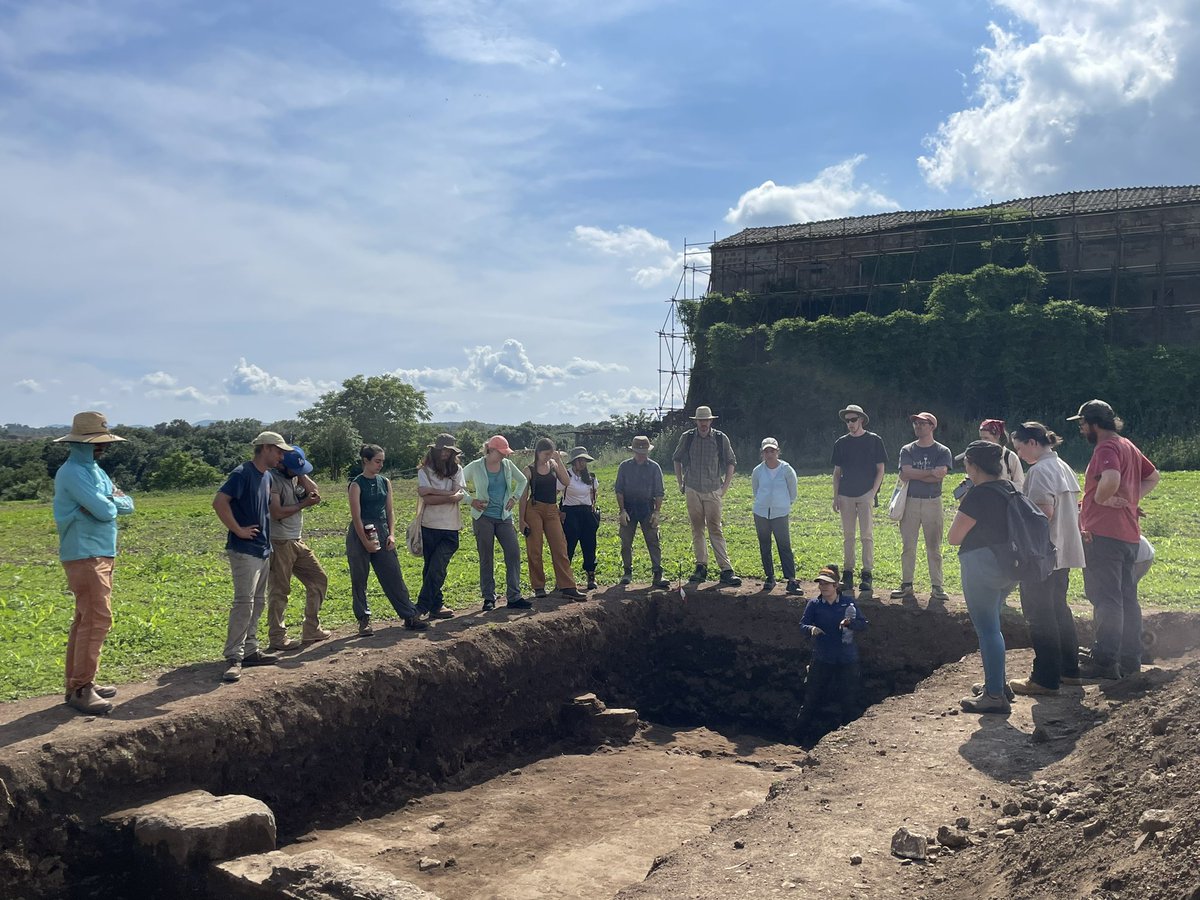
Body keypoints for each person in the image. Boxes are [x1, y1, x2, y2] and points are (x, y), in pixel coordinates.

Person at [52, 411, 135, 715]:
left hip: (100, 551)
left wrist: (107, 502)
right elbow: (107, 510)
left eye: (102, 443)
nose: (102, 447)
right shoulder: (73, 472)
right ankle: (81, 687)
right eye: (96, 443)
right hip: (84, 553)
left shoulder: (95, 471)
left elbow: (127, 504)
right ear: (79, 443)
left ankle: (80, 682)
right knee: (98, 618)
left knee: (85, 619)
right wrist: (109, 502)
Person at [1069, 399, 1159, 679]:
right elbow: (1153, 476)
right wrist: (1131, 501)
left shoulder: (1106, 446)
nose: (1082, 429)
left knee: (1106, 599)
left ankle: (1104, 660)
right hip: (1128, 535)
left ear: (1094, 423)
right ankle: (1130, 660)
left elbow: (1109, 478)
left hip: (1104, 534)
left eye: (1083, 424)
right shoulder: (1127, 445)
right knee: (1127, 598)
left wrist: (1100, 498)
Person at [1008, 423, 1084, 695]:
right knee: (1059, 610)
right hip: (1063, 551)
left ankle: (1045, 677)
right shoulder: (1062, 466)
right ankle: (1069, 670)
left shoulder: (1040, 470)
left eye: (1019, 447)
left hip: (1043, 553)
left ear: (1032, 442)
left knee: (1040, 615)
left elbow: (1043, 513)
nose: (1018, 453)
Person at [948, 441, 1020, 714]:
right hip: (1009, 567)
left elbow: (954, 538)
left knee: (988, 629)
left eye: (966, 463)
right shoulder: (1009, 488)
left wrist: (965, 500)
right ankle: (998, 684)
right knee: (994, 625)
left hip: (981, 566)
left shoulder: (978, 496)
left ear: (974, 467)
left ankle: (993, 695)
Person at [213, 432, 290, 683]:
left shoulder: (266, 476)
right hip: (244, 550)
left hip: (262, 548)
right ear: (265, 448)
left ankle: (250, 651)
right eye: (278, 451)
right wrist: (237, 529)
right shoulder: (242, 473)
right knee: (244, 603)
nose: (281, 455)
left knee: (257, 602)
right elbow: (219, 502)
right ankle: (234, 657)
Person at [346, 444, 428, 637]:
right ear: (365, 461)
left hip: (381, 529)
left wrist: (391, 534)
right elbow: (356, 516)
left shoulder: (385, 482)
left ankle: (409, 615)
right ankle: (363, 619)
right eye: (377, 461)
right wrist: (364, 541)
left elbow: (390, 511)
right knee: (359, 578)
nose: (380, 465)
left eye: (382, 461)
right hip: (361, 532)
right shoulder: (356, 484)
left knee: (393, 574)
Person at [267, 445, 331, 651]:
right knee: (280, 590)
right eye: (295, 469)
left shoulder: (294, 477)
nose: (297, 473)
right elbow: (276, 512)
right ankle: (277, 638)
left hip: (296, 540)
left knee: (318, 579)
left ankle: (311, 628)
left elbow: (314, 492)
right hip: (279, 542)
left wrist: (302, 475)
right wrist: (304, 504)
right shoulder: (272, 479)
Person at [672, 405, 741, 586]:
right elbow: (677, 459)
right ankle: (701, 566)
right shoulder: (687, 438)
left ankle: (726, 569)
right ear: (696, 422)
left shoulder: (720, 438)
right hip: (692, 488)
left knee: (715, 528)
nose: (703, 423)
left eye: (706, 420)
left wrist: (724, 488)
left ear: (711, 421)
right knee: (697, 528)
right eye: (700, 420)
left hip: (713, 489)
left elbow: (731, 462)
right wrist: (681, 484)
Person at [462, 435, 532, 611]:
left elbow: (523, 480)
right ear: (490, 450)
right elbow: (457, 483)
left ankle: (514, 597)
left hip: (504, 517)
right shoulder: (476, 466)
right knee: (486, 557)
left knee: (513, 553)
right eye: (501, 453)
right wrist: (470, 500)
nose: (504, 456)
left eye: (505, 453)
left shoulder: (507, 465)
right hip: (483, 517)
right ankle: (488, 598)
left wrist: (515, 497)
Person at [797, 565, 868, 734]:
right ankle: (798, 736)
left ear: (836, 586)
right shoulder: (814, 604)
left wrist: (850, 623)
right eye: (820, 583)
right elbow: (802, 625)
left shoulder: (848, 603)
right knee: (812, 698)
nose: (822, 587)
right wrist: (811, 629)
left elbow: (864, 624)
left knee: (848, 700)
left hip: (847, 658)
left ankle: (848, 738)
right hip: (823, 657)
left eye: (826, 584)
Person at [892, 412, 954, 603]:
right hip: (910, 500)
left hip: (932, 501)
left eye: (922, 423)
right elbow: (906, 472)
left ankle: (937, 586)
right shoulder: (907, 449)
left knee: (933, 547)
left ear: (932, 426)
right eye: (916, 423)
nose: (918, 426)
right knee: (908, 545)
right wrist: (930, 473)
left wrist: (916, 474)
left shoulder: (943, 451)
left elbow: (941, 474)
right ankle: (907, 584)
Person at [520, 437, 587, 600]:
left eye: (551, 454)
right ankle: (538, 586)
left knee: (560, 546)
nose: (548, 457)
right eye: (546, 454)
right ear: (538, 452)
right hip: (534, 508)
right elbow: (523, 496)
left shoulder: (554, 465)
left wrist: (558, 461)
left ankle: (567, 586)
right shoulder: (528, 470)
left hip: (551, 509)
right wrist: (521, 520)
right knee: (535, 548)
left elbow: (566, 481)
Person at [831, 404, 887, 598]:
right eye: (847, 420)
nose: (850, 424)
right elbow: (837, 473)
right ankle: (848, 573)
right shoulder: (841, 443)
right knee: (848, 535)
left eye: (853, 420)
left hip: (865, 494)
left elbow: (881, 469)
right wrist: (835, 496)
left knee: (866, 535)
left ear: (861, 420)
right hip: (846, 494)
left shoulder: (874, 441)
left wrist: (873, 492)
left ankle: (867, 573)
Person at [415, 434, 468, 620]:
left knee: (438, 566)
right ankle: (436, 606)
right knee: (431, 567)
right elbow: (428, 499)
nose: (445, 453)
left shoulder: (457, 469)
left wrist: (431, 490)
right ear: (435, 450)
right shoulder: (425, 471)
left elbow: (457, 493)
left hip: (451, 526)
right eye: (443, 449)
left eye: (449, 450)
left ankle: (420, 607)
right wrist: (449, 496)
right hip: (429, 525)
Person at [614, 435, 669, 589]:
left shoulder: (654, 467)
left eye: (643, 452)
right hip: (629, 508)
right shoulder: (624, 467)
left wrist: (657, 512)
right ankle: (627, 571)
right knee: (626, 542)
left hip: (647, 508)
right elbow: (619, 490)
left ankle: (658, 573)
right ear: (633, 451)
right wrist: (622, 510)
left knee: (653, 541)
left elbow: (659, 492)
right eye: (638, 451)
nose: (641, 455)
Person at [752, 437, 800, 593]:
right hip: (761, 512)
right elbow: (756, 490)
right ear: (762, 453)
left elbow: (793, 492)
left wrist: (783, 504)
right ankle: (769, 577)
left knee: (784, 545)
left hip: (780, 513)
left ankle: (791, 580)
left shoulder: (786, 469)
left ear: (778, 452)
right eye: (766, 451)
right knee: (764, 544)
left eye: (772, 451)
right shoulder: (758, 471)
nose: (769, 454)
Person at [560, 446, 601, 591]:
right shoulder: (566, 476)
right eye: (580, 460)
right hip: (570, 513)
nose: (582, 463)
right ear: (574, 461)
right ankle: (564, 578)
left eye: (584, 460)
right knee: (569, 545)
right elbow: (556, 492)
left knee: (590, 544)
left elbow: (593, 495)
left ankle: (591, 575)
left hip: (587, 512)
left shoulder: (591, 477)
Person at [975, 419, 1024, 488]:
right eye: (981, 438)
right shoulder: (978, 457)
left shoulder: (1010, 457)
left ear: (997, 436)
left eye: (986, 438)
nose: (983, 441)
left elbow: (1020, 484)